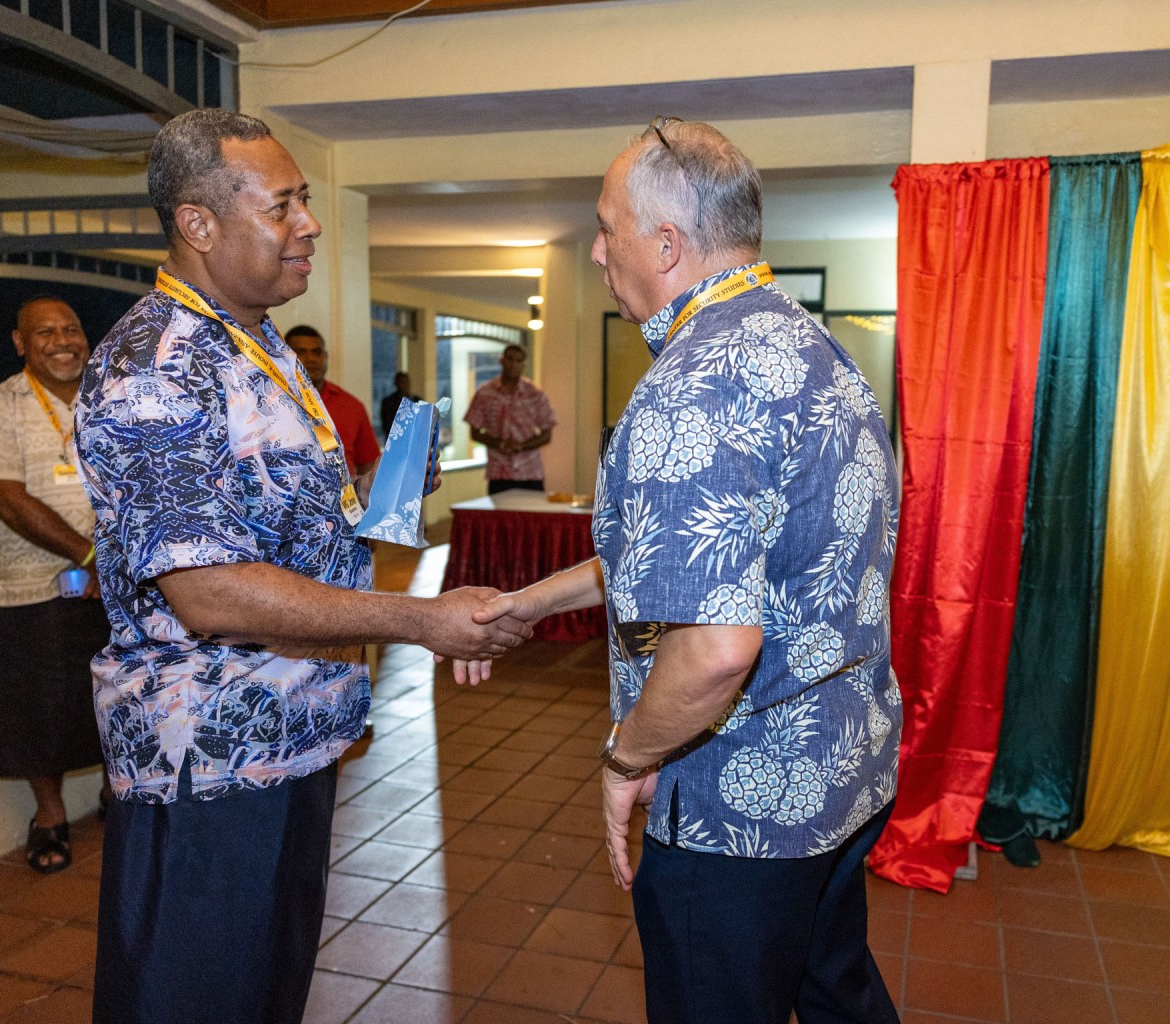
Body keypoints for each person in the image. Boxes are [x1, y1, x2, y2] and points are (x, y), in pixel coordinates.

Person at [75, 108, 531, 1024]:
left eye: (306, 202)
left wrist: (379, 499)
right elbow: (207, 590)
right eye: (282, 206)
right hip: (208, 765)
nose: (310, 224)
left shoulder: (258, 345)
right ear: (198, 226)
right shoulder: (158, 366)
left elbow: (274, 529)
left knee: (264, 996)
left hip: (290, 743)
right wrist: (419, 620)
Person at [462, 118, 902, 1023]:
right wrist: (529, 603)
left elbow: (712, 647)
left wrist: (630, 755)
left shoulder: (692, 386)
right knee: (833, 995)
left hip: (738, 807)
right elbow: (705, 557)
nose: (594, 250)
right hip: (841, 769)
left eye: (605, 226)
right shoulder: (818, 351)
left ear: (666, 243)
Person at [0, 296, 110, 875]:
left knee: (119, 695)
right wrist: (89, 553)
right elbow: (9, 500)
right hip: (37, 589)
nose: (63, 340)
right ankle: (49, 816)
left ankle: (113, 793)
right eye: (44, 332)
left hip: (119, 584)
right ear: (21, 344)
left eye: (71, 328)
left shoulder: (112, 400)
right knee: (36, 705)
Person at [283, 324, 380, 476]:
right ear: (284, 355)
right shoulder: (268, 402)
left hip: (343, 497)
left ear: (325, 357)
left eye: (317, 352)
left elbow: (368, 468)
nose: (311, 359)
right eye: (301, 352)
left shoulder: (351, 406)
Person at [463, 343, 557, 494]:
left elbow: (547, 434)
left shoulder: (535, 394)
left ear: (524, 364)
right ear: (502, 360)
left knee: (531, 517)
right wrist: (500, 444)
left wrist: (522, 446)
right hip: (498, 473)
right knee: (499, 517)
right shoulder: (485, 393)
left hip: (530, 472)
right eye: (510, 359)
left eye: (518, 361)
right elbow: (475, 431)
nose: (513, 364)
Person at [380, 369, 420, 436]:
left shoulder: (417, 401)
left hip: (414, 439)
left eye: (406, 382)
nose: (405, 385)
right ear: (396, 383)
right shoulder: (388, 403)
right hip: (395, 439)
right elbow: (387, 425)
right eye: (402, 382)